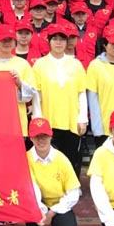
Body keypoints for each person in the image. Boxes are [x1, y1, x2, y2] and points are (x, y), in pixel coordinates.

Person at [33, 23, 88, 175]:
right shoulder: (40, 65)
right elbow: (37, 95)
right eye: (55, 39)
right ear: (49, 41)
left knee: (70, 160)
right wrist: (38, 119)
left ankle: (71, 186)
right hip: (48, 120)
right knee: (48, 161)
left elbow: (81, 93)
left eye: (62, 39)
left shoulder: (76, 64)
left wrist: (82, 118)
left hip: (71, 120)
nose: (58, 43)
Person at [25, 117, 80, 226]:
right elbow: (31, 188)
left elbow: (73, 192)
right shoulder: (26, 159)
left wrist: (52, 212)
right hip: (36, 202)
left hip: (58, 202)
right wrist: (40, 209)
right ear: (31, 138)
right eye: (37, 136)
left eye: (44, 136)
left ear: (51, 136)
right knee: (28, 205)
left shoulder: (61, 159)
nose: (41, 140)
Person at [0, 25, 37, 139]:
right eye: (3, 40)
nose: (6, 43)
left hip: (16, 122)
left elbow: (30, 94)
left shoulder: (23, 64)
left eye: (9, 40)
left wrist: (19, 83)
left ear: (14, 42)